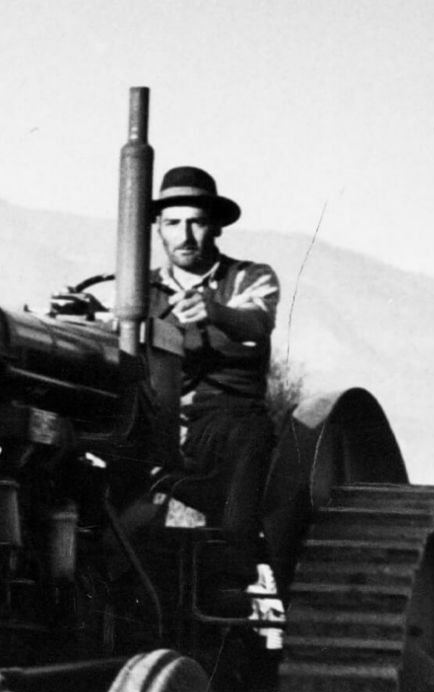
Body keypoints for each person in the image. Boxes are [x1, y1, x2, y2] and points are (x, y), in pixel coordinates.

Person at [57, 166, 281, 607]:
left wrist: (215, 312)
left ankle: (228, 581)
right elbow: (115, 335)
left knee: (245, 440)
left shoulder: (250, 278)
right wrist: (82, 315)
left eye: (196, 222)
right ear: (157, 227)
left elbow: (256, 321)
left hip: (225, 420)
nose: (186, 235)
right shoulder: (134, 289)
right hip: (154, 419)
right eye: (173, 223)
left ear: (215, 226)